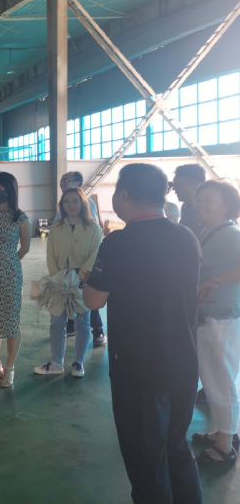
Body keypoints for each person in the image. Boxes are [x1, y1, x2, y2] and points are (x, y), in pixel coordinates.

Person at [83, 163, 202, 504]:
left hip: (138, 367)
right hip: (183, 360)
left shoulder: (119, 242)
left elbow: (93, 300)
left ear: (124, 194)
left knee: (146, 461)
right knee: (176, 447)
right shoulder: (186, 236)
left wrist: (90, 280)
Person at [191, 180, 240, 465]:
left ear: (226, 206)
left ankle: (224, 448)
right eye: (199, 198)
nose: (200, 203)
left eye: (208, 199)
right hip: (211, 316)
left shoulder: (230, 234)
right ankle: (225, 433)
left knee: (220, 381)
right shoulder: (211, 231)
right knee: (215, 379)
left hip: (220, 318)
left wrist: (216, 281)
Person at [34, 188, 102, 378]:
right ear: (62, 205)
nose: (70, 205)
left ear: (83, 203)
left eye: (75, 201)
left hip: (82, 282)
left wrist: (79, 277)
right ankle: (56, 362)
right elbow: (50, 254)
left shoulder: (93, 228)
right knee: (57, 322)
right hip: (59, 281)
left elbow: (95, 254)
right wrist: (57, 277)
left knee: (83, 322)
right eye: (66, 202)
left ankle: (78, 362)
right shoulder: (56, 227)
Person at [0, 172, 31, 388]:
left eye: (0, 188)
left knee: (11, 321)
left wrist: (9, 261)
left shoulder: (21, 218)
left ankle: (9, 368)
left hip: (10, 274)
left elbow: (25, 247)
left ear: (10, 190)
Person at [58, 172, 107, 345]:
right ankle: (71, 325)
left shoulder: (87, 204)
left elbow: (94, 237)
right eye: (61, 181)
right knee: (69, 298)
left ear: (78, 183)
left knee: (87, 300)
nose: (62, 183)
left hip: (84, 266)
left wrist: (84, 270)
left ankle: (98, 331)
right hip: (67, 265)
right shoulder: (61, 207)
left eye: (66, 180)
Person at [173, 163, 206, 236]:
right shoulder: (186, 207)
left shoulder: (209, 210)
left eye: (179, 185)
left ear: (195, 186)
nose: (174, 188)